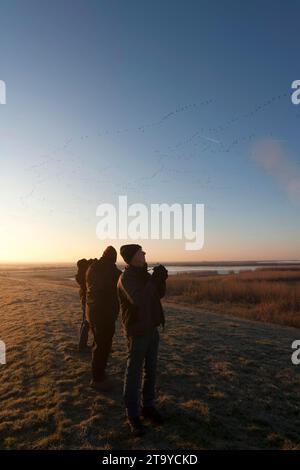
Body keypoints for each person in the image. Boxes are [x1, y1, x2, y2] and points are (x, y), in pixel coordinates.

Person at [117, 244, 168, 435]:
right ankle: (132, 413)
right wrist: (154, 281)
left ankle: (148, 406)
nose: (145, 253)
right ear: (132, 257)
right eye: (141, 252)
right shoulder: (126, 278)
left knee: (151, 370)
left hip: (152, 328)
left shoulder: (142, 274)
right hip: (137, 331)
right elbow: (140, 300)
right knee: (134, 373)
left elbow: (158, 294)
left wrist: (161, 279)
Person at [86, 246, 121, 391]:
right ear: (113, 257)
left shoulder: (93, 267)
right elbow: (117, 282)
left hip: (93, 312)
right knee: (102, 346)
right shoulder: (110, 270)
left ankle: (99, 375)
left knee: (98, 343)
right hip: (104, 314)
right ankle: (98, 379)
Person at [75, 258, 94, 352]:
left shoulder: (80, 275)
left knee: (85, 322)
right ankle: (82, 346)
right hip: (87, 301)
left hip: (84, 299)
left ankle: (82, 344)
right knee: (86, 322)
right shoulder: (84, 276)